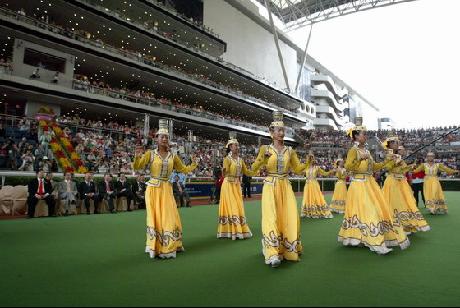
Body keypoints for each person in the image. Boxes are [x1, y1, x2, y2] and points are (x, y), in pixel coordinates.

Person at [338, 118, 410, 255]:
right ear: (356, 136)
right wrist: (360, 158)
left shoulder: (366, 151)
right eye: (363, 134)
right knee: (365, 210)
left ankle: (362, 237)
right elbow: (348, 167)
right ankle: (366, 238)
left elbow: (374, 167)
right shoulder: (353, 151)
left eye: (365, 133)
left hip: (369, 184)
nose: (365, 136)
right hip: (358, 185)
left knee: (373, 209)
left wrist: (386, 161)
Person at [133, 119, 198, 260]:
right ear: (156, 139)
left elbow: (183, 169)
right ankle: (155, 246)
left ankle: (170, 244)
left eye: (166, 137)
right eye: (161, 137)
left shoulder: (173, 156)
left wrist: (194, 163)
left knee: (170, 216)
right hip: (153, 189)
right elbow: (137, 167)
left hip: (167, 189)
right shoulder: (150, 154)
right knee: (155, 217)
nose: (164, 139)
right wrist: (137, 156)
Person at [250, 111, 307, 268]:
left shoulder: (290, 151)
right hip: (270, 185)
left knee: (289, 215)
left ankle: (288, 248)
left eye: (283, 130)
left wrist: (308, 162)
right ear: (271, 133)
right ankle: (272, 252)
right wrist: (263, 159)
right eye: (278, 130)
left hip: (285, 185)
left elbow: (298, 169)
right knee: (271, 217)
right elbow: (253, 169)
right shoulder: (265, 149)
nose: (281, 133)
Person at [382, 142, 430, 234]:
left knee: (406, 201)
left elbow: (402, 170)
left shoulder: (399, 158)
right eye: (396, 144)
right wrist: (394, 162)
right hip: (393, 182)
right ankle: (397, 224)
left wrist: (409, 167)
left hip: (402, 182)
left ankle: (406, 224)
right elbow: (387, 167)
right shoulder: (390, 156)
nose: (401, 149)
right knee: (396, 202)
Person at [217, 136, 256, 240]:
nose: (237, 147)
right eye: (235, 145)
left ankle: (236, 228)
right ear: (230, 147)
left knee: (238, 206)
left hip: (237, 185)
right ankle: (233, 229)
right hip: (228, 185)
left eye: (238, 145)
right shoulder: (227, 159)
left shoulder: (240, 160)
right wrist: (224, 170)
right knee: (232, 205)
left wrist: (258, 166)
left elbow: (247, 172)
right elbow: (224, 173)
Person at [301, 153, 334, 219]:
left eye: (312, 158)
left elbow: (324, 173)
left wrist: (330, 172)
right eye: (310, 158)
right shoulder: (306, 168)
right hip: (307, 185)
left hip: (314, 184)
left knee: (316, 197)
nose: (311, 160)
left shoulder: (317, 168)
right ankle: (308, 211)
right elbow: (299, 171)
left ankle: (316, 210)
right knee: (308, 197)